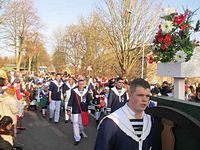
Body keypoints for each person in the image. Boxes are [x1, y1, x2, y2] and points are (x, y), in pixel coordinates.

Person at [94, 78, 154, 150]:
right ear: (130, 94)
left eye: (147, 96)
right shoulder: (110, 122)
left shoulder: (150, 120)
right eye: (140, 95)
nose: (144, 99)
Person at [67, 79, 92, 145]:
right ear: (78, 84)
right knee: (75, 123)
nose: (81, 85)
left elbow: (89, 101)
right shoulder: (74, 91)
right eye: (80, 84)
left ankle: (80, 131)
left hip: (84, 110)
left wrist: (89, 109)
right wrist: (68, 109)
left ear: (84, 84)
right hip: (75, 110)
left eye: (82, 84)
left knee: (81, 124)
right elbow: (71, 100)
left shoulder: (87, 91)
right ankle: (77, 138)